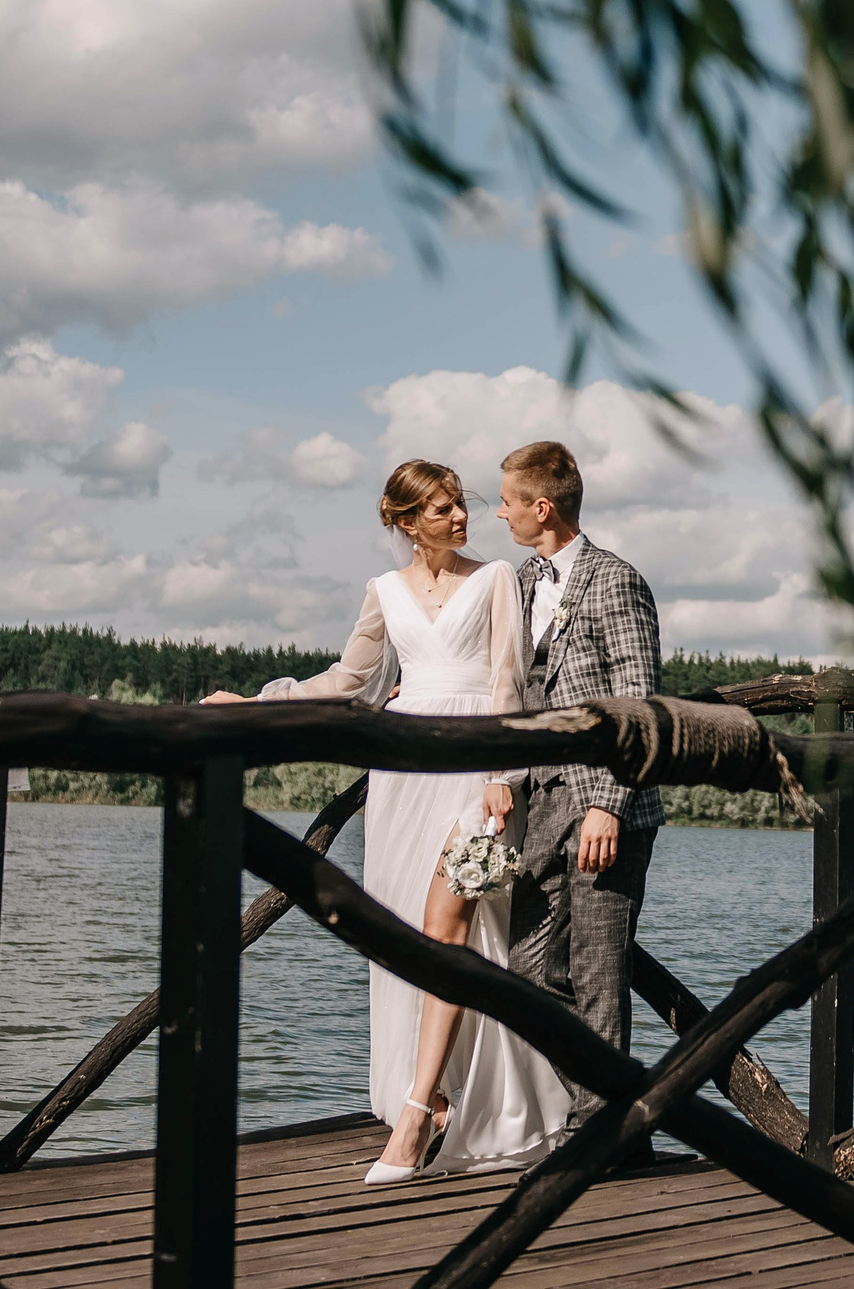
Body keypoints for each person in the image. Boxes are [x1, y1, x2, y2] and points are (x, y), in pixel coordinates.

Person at [204, 461, 568, 1183]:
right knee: (408, 938)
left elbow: (510, 680)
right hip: (402, 778)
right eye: (441, 510)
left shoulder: (496, 577)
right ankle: (433, 1098)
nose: (460, 517)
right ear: (406, 523)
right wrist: (255, 703)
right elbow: (347, 681)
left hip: (476, 770)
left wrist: (502, 774)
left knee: (453, 927)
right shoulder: (384, 593)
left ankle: (417, 1113)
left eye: (461, 504)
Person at [494, 440, 664, 1153]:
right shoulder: (526, 583)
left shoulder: (615, 580)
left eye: (505, 500)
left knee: (598, 972)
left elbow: (636, 699)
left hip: (605, 805)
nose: (497, 512)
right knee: (530, 969)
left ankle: (604, 1134)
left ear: (542, 506)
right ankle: (621, 1117)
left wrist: (609, 804)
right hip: (543, 801)